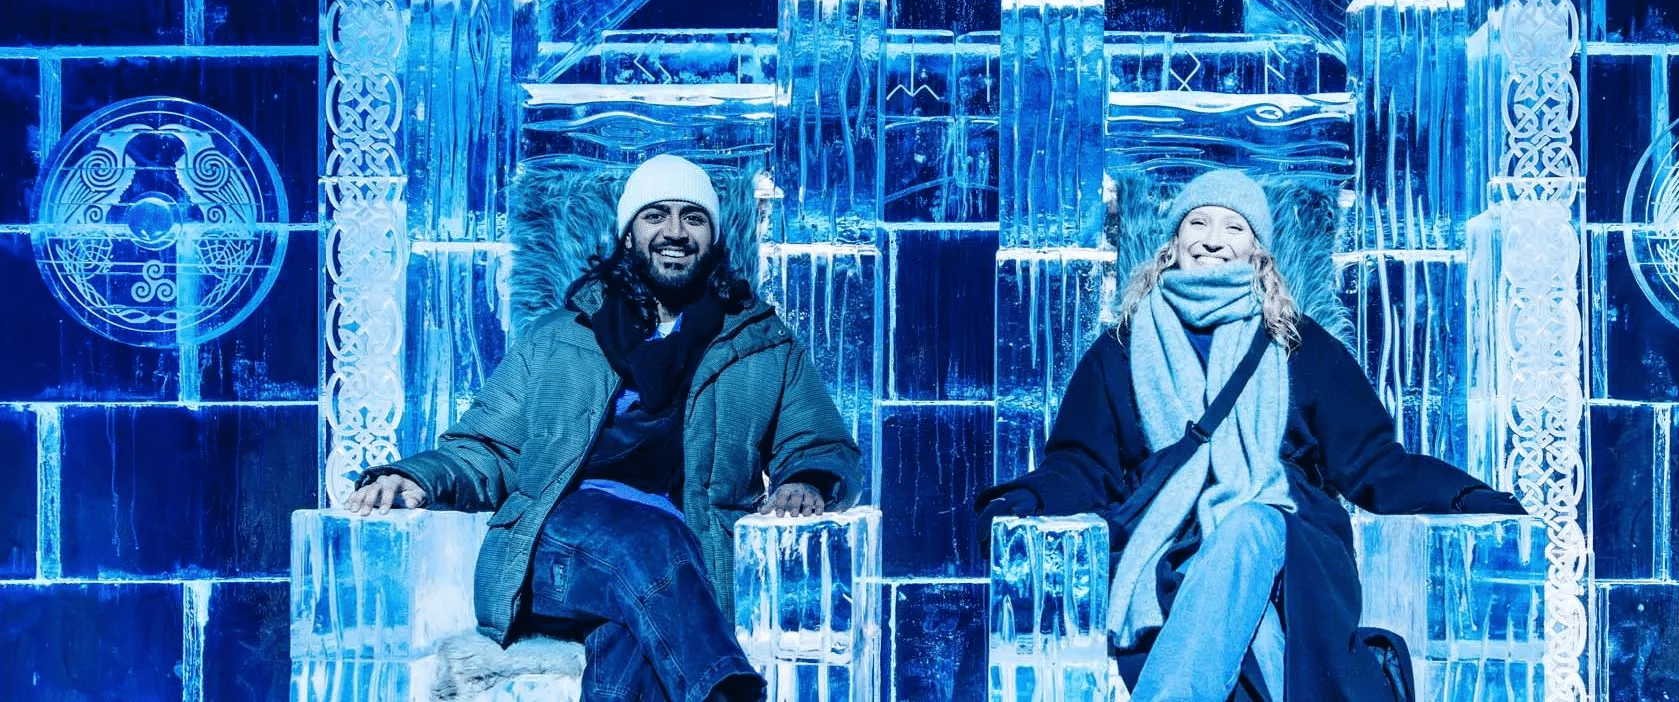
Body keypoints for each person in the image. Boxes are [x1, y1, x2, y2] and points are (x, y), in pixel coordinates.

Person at [974, 169, 1527, 702]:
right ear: (1174, 242)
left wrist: (1465, 495)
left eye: (1233, 227)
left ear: (1257, 250)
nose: (1213, 240)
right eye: (1198, 223)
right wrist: (1026, 499)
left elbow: (1375, 462)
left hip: (1293, 547)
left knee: (1247, 525)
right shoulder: (1119, 349)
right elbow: (1081, 463)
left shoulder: (1299, 345)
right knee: (1252, 629)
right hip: (1167, 546)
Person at [344, 154, 861, 702]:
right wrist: (416, 476)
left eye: (693, 217)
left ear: (713, 237)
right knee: (646, 539)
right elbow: (487, 447)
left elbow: (817, 439)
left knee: (632, 638)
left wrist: (806, 479)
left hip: (683, 561)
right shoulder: (561, 337)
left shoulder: (761, 344)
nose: (675, 231)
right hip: (558, 547)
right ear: (629, 234)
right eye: (655, 215)